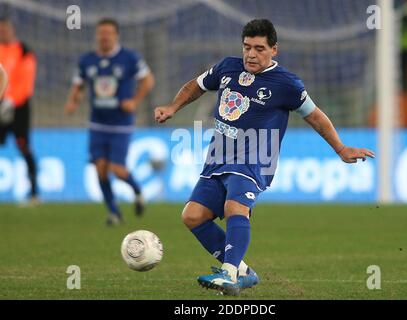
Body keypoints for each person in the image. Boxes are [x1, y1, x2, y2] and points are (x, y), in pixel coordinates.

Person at [154, 19, 375, 296]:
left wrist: (340, 148)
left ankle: (229, 273)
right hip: (219, 156)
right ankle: (243, 272)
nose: (251, 54)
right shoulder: (227, 67)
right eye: (247, 47)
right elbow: (196, 85)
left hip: (256, 158)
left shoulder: (287, 84)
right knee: (193, 216)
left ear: (274, 50)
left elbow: (315, 116)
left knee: (236, 207)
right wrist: (173, 107)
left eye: (259, 48)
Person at [65, 18, 155, 226]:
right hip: (97, 123)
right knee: (100, 169)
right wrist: (72, 101)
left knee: (117, 169)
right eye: (101, 33)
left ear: (116, 36)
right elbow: (78, 85)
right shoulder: (87, 60)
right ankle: (114, 213)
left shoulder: (129, 58)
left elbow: (148, 79)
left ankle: (138, 191)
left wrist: (134, 101)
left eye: (108, 33)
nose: (104, 37)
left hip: (121, 124)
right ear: (97, 36)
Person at [0, 17, 39, 204]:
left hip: (19, 107)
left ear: (12, 30)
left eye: (6, 29)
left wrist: (11, 100)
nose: (3, 32)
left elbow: (26, 82)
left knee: (23, 146)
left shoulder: (24, 50)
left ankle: (34, 193)